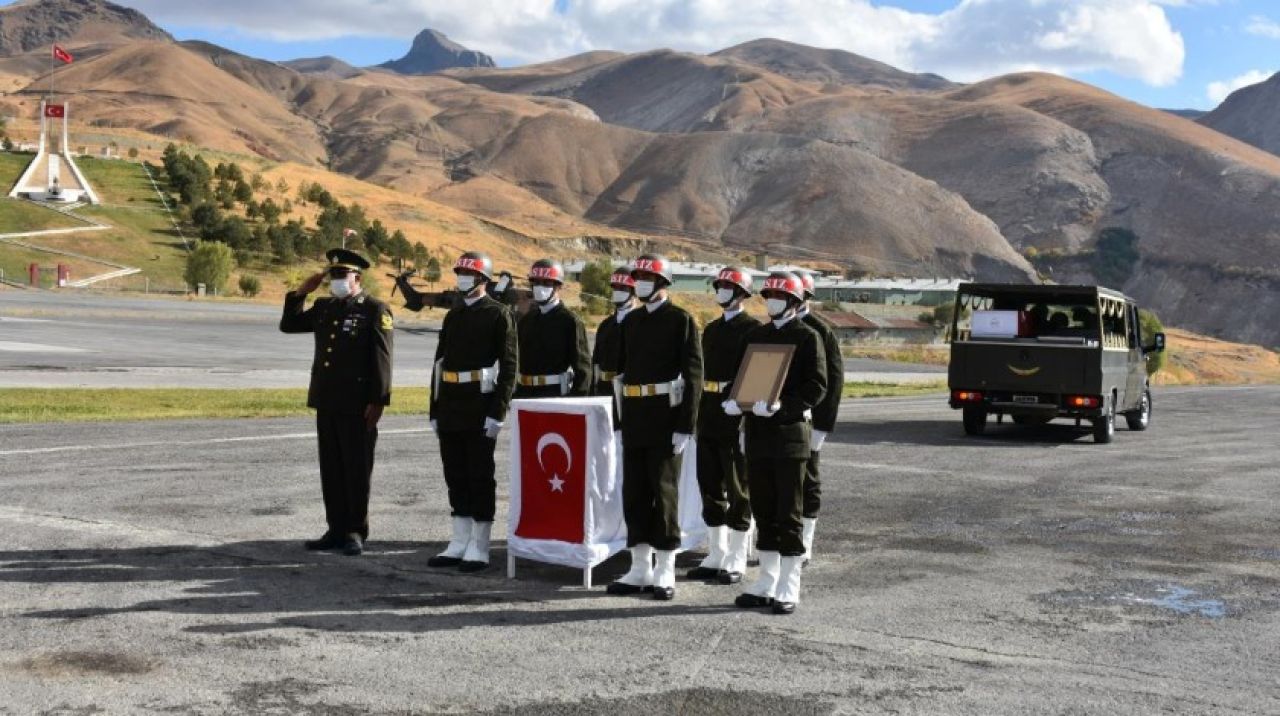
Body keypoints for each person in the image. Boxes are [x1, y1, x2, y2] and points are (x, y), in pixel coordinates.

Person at [279, 248, 393, 557]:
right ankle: (336, 528)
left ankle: (356, 530)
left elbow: (382, 359)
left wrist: (378, 401)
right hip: (327, 400)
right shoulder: (324, 307)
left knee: (356, 469)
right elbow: (288, 325)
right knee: (331, 468)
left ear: (358, 277)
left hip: (358, 404)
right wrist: (301, 292)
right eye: (333, 275)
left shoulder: (374, 309)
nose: (336, 281)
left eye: (342, 275)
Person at [723, 271, 826, 614]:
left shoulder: (808, 337)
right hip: (757, 436)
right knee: (763, 510)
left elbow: (817, 386)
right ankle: (766, 579)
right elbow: (739, 377)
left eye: (780, 297)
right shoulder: (757, 336)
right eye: (768, 296)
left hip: (789, 437)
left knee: (789, 512)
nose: (773, 302)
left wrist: (783, 407)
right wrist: (733, 400)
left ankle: (788, 584)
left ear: (796, 302)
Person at [606, 254, 703, 601]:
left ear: (662, 283)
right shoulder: (630, 322)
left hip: (665, 419)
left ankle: (664, 569)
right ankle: (638, 567)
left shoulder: (681, 320)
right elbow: (620, 376)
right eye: (638, 277)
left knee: (663, 496)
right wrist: (619, 422)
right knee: (634, 493)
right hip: (634, 417)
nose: (640, 282)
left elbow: (693, 376)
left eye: (647, 277)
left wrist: (685, 425)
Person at [426, 252, 518, 572]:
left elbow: (509, 367)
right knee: (455, 473)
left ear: (482, 279)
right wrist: (434, 408)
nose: (462, 277)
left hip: (480, 406)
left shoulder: (499, 314)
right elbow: (439, 365)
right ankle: (458, 540)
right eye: (460, 272)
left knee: (479, 475)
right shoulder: (453, 315)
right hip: (451, 403)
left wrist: (498, 412)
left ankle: (480, 544)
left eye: (469, 272)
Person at [687, 266, 760, 585]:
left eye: (728, 287)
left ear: (742, 293)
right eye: (719, 286)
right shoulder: (712, 329)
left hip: (736, 414)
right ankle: (716, 551)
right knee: (710, 485)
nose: (722, 291)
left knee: (738, 488)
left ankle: (737, 554)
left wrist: (744, 414)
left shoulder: (753, 329)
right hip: (710, 412)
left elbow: (756, 377)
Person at [795, 271, 844, 565]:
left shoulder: (820, 331)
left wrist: (823, 426)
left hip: (810, 419)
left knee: (808, 479)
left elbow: (833, 380)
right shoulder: (773, 329)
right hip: (776, 420)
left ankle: (805, 540)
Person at [513, 259, 591, 399]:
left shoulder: (570, 321)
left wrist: (574, 402)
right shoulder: (526, 320)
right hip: (524, 395)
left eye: (546, 283)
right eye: (536, 282)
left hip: (554, 396)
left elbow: (583, 370)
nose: (539, 287)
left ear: (558, 286)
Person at [592, 267, 638, 428]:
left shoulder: (640, 324)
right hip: (604, 394)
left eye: (623, 288)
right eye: (616, 287)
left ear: (634, 291)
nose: (618, 291)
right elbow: (596, 364)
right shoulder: (605, 325)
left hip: (628, 396)